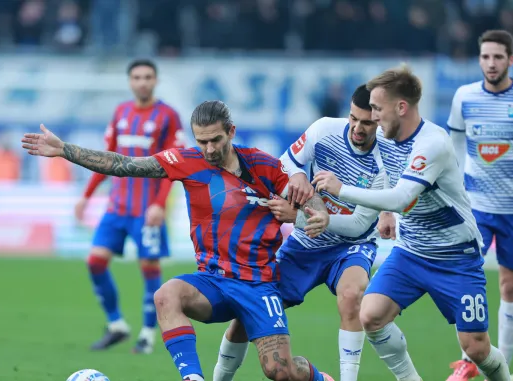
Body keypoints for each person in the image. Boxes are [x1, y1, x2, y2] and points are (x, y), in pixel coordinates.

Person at [22, 100, 335, 381]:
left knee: (280, 371)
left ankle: (321, 379)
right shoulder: (184, 160)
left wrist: (314, 214)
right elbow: (122, 164)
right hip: (212, 281)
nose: (209, 149)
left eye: (216, 140)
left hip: (258, 284)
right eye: (202, 141)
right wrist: (64, 150)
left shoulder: (264, 165)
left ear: (231, 131)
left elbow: (309, 199)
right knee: (166, 295)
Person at [313, 65, 512, 380]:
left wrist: (342, 190)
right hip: (411, 252)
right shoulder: (385, 135)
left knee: (475, 348)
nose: (373, 117)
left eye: (378, 108)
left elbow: (403, 196)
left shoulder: (431, 144)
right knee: (371, 315)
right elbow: (384, 175)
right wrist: (385, 212)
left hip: (455, 256)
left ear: (401, 107)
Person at [213, 84, 384, 381]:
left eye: (366, 122)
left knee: (352, 293)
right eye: (353, 118)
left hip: (351, 246)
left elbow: (359, 225)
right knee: (248, 310)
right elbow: (283, 162)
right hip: (305, 245)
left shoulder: (385, 159)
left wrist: (301, 218)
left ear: (380, 121)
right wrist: (297, 175)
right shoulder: (323, 130)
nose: (357, 127)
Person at [75, 59, 185, 354]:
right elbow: (104, 159)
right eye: (137, 77)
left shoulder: (168, 116)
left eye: (148, 77)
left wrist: (160, 205)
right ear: (130, 81)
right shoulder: (121, 112)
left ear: (156, 80)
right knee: (95, 262)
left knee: (149, 267)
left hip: (147, 207)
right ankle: (117, 325)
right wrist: (86, 196)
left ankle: (148, 333)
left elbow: (172, 166)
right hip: (117, 206)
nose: (142, 82)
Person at [445, 29, 513, 381]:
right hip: (475, 207)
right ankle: (466, 361)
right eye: (486, 57)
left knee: (509, 286)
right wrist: (455, 190)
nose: (491, 63)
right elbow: (456, 147)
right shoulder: (464, 97)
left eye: (498, 57)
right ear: (479, 60)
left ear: (510, 60)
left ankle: (499, 363)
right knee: (467, 281)